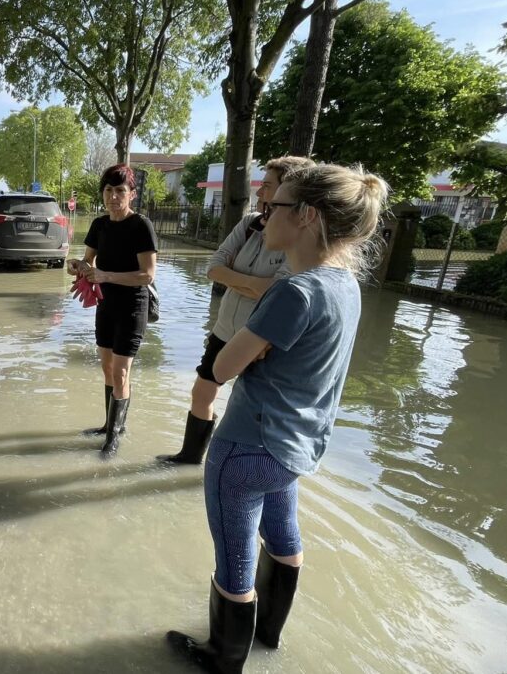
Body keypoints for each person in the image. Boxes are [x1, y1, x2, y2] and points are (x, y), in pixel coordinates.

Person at [165, 164, 389, 672]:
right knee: (284, 537)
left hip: (246, 448)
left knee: (235, 561)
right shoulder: (345, 286)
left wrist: (252, 352)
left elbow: (221, 368)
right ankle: (269, 634)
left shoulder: (293, 291)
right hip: (297, 449)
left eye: (277, 205)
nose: (265, 214)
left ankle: (221, 660)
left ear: (307, 216)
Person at [159, 156, 314, 466]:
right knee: (202, 392)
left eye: (267, 187)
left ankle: (236, 468)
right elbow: (214, 268)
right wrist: (255, 285)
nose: (259, 194)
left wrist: (240, 281)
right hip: (224, 330)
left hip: (261, 340)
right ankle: (191, 459)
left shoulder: (298, 241)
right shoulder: (249, 225)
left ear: (289, 191)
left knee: (248, 409)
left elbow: (279, 290)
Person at [66, 164, 157, 457]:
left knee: (120, 372)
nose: (113, 197)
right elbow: (88, 261)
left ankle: (114, 437)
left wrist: (105, 276)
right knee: (107, 368)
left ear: (132, 194)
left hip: (133, 306)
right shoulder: (99, 225)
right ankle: (110, 424)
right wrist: (78, 267)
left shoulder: (141, 226)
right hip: (105, 306)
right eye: (108, 190)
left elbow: (147, 275)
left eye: (120, 191)